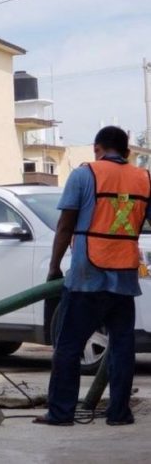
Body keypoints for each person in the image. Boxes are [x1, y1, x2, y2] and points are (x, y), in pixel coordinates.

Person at [35, 125, 151, 426]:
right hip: (125, 276)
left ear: (98, 149)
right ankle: (119, 414)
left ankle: (61, 413)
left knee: (69, 345)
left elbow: (65, 226)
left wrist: (54, 267)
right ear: (126, 152)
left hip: (89, 274)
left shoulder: (85, 174)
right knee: (123, 347)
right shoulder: (143, 178)